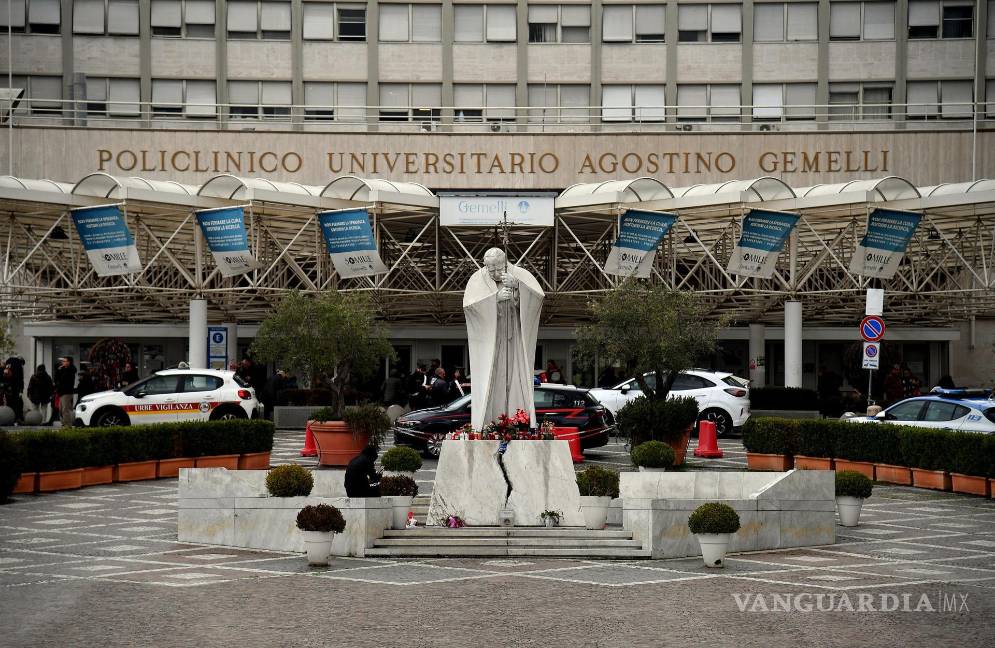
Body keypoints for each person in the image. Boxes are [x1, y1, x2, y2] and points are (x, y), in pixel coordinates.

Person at [463, 247, 545, 432]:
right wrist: (495, 299)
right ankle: (491, 422)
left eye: (497, 269)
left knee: (516, 375)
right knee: (493, 377)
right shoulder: (477, 278)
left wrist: (518, 287)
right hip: (492, 340)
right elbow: (469, 306)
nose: (493, 273)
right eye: (489, 269)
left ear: (505, 263)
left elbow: (538, 298)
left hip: (515, 338)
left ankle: (518, 421)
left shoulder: (520, 275)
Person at [54, 356, 77, 427]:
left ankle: (68, 425)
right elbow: (56, 379)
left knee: (65, 409)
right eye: (63, 361)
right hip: (61, 392)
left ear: (69, 362)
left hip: (67, 392)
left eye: (65, 361)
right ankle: (64, 423)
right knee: (60, 409)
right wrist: (58, 370)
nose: (63, 362)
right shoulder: (62, 369)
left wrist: (62, 370)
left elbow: (64, 379)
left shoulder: (71, 369)